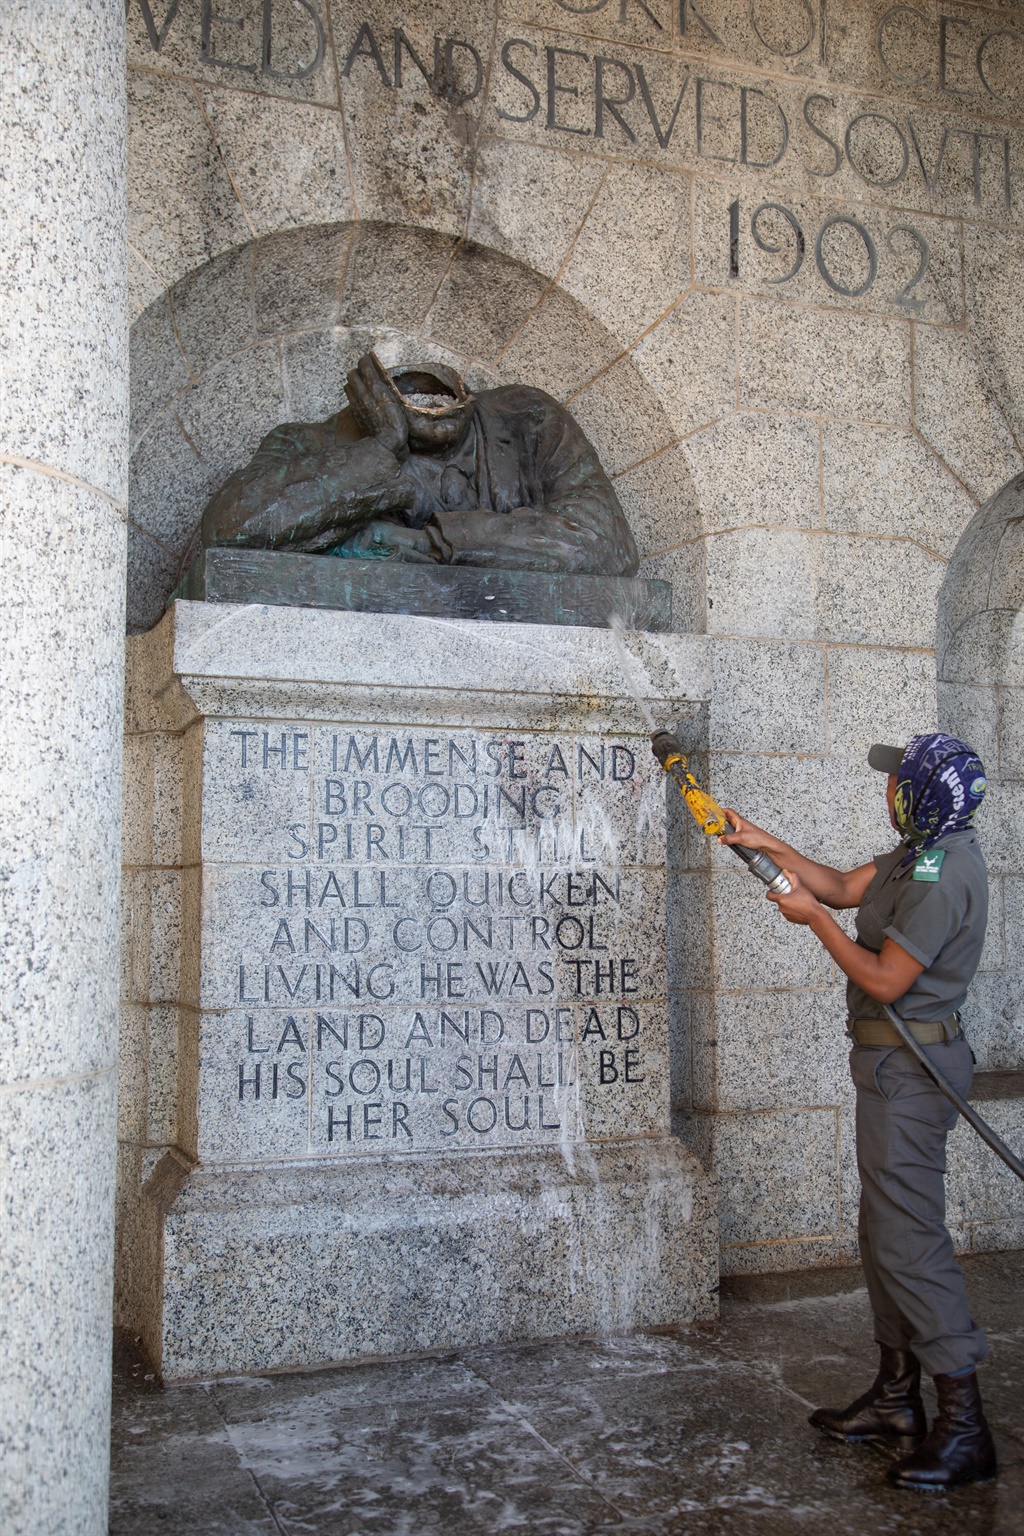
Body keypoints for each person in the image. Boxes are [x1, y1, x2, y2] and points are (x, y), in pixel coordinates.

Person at [721, 732, 997, 1492]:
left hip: (911, 1071)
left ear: (921, 797)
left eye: (896, 783)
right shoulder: (921, 852)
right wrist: (758, 837)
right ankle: (897, 1396)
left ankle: (965, 1425)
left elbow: (883, 978)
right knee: (882, 1233)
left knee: (910, 1240)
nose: (885, 790)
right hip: (887, 1069)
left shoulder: (945, 875)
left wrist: (813, 922)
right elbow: (844, 884)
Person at [198, 352, 638, 576]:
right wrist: (384, 447)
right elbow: (229, 529)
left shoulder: (527, 422)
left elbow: (608, 544)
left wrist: (428, 543)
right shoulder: (311, 445)